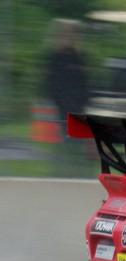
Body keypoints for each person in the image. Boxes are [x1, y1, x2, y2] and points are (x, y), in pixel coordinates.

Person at [43, 19, 90, 175]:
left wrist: (84, 101)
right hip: (61, 105)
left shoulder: (80, 57)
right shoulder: (55, 58)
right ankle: (62, 168)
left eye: (73, 35)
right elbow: (51, 83)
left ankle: (77, 168)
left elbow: (85, 82)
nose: (70, 38)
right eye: (67, 34)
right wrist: (58, 101)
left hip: (78, 105)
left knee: (77, 141)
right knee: (64, 139)